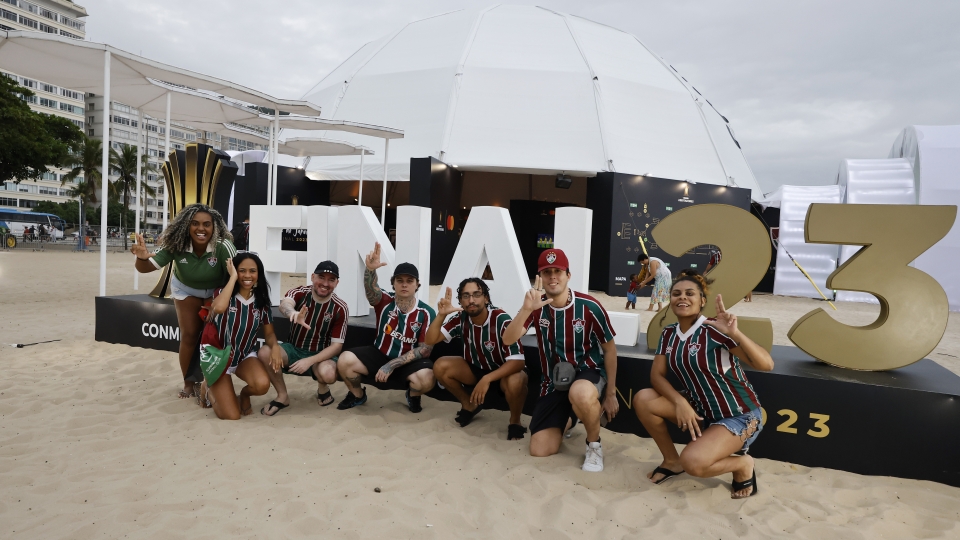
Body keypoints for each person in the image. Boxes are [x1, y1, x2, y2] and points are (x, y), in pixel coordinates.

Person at [632, 273, 774, 499]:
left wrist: (735, 332)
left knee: (694, 463)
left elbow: (766, 364)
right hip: (700, 411)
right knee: (643, 399)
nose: (682, 298)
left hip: (739, 416)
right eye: (676, 294)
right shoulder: (668, 333)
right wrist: (680, 403)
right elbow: (657, 376)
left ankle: (743, 464)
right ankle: (671, 461)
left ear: (702, 301)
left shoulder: (715, 330)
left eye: (690, 294)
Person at [503, 249, 619, 472]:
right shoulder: (536, 307)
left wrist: (611, 393)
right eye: (547, 272)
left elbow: (610, 350)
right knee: (540, 449)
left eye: (558, 271)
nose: (552, 277)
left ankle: (594, 445)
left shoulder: (589, 306)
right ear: (540, 277)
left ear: (568, 275)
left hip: (588, 373)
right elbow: (508, 339)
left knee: (581, 394)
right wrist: (526, 308)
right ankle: (571, 418)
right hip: (553, 381)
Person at [131, 203, 236, 399]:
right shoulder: (176, 243)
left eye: (207, 224)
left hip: (216, 291)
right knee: (189, 335)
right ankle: (189, 383)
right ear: (186, 226)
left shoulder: (223, 246)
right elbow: (145, 268)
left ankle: (212, 380)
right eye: (195, 223)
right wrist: (141, 257)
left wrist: (221, 297)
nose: (201, 229)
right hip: (186, 289)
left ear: (214, 227)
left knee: (214, 337)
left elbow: (235, 276)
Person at [336, 243, 437, 413]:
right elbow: (371, 291)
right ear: (393, 284)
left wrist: (391, 365)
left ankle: (412, 396)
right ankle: (358, 395)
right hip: (379, 354)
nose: (404, 285)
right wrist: (370, 270)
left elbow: (424, 351)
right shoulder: (384, 301)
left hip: (407, 361)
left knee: (427, 378)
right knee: (345, 360)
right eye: (400, 281)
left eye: (409, 281)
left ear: (417, 285)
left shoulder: (427, 312)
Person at [425, 279, 529, 439]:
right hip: (475, 368)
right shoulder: (461, 317)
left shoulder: (500, 319)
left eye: (476, 294)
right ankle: (469, 405)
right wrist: (441, 315)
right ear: (460, 301)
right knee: (440, 366)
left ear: (486, 298)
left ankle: (515, 421)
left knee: (517, 379)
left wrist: (487, 379)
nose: (471, 300)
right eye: (466, 296)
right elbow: (430, 339)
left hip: (502, 373)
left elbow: (518, 362)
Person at [259, 260, 349, 416]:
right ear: (313, 277)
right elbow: (285, 305)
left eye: (331, 280)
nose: (325, 283)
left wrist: (310, 360)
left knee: (328, 374)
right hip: (293, 350)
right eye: (321, 277)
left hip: (321, 355)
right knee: (265, 353)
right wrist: (293, 314)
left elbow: (336, 347)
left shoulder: (340, 307)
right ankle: (282, 396)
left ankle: (322, 388)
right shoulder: (300, 292)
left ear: (337, 283)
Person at [197, 252, 281, 419]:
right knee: (232, 415)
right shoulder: (222, 292)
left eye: (252, 271)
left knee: (262, 385)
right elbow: (219, 308)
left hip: (243, 356)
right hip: (218, 358)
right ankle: (206, 387)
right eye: (242, 270)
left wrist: (275, 347)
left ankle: (243, 395)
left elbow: (269, 333)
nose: (247, 276)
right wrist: (233, 277)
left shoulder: (261, 301)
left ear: (259, 273)